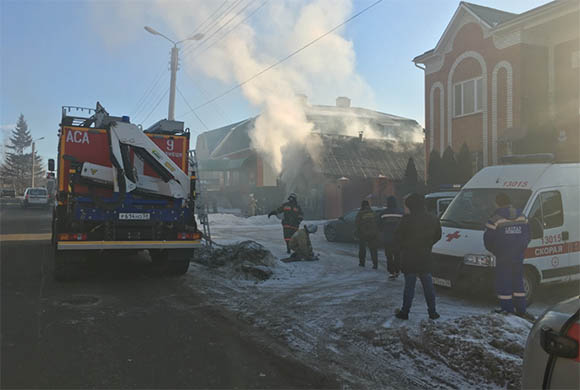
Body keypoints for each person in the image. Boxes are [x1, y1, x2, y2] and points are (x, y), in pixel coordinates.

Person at [483, 193, 533, 320]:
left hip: (503, 256)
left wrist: (497, 251)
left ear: (497, 203)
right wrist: (521, 248)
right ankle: (521, 309)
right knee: (518, 282)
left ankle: (507, 310)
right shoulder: (522, 216)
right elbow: (528, 235)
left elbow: (488, 240)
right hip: (518, 255)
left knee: (503, 282)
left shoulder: (495, 219)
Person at [394, 193, 442, 320]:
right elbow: (438, 235)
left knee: (409, 286)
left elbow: (398, 238)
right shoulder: (433, 218)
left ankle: (405, 312)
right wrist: (428, 244)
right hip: (425, 256)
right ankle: (432, 312)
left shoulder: (406, 220)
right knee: (428, 285)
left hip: (409, 257)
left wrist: (403, 248)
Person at [379, 196, 404, 280]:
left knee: (389, 256)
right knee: (397, 255)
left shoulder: (383, 213)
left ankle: (391, 272)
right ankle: (397, 270)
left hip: (387, 238)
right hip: (398, 238)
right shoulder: (401, 212)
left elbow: (379, 226)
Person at [355, 200, 379, 269]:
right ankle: (375, 264)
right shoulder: (373, 212)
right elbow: (377, 222)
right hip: (373, 234)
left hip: (363, 233)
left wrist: (358, 231)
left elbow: (357, 223)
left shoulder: (360, 213)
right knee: (373, 249)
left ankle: (362, 263)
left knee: (362, 249)